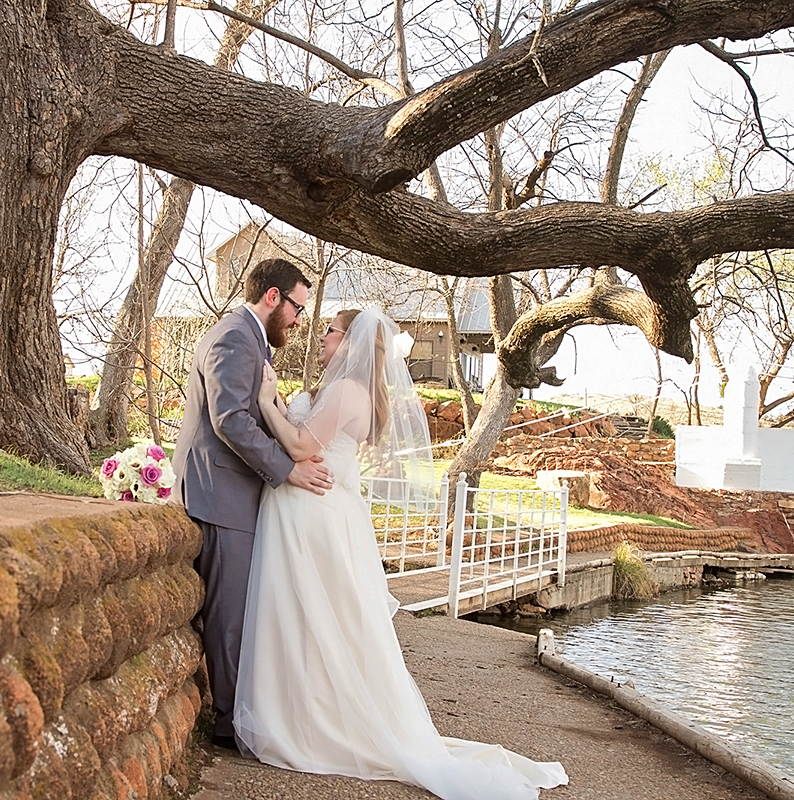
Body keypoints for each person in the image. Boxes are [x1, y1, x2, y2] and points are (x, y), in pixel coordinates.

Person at [233, 309, 569, 800]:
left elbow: (304, 445)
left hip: (313, 514)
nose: (322, 336)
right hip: (316, 512)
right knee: (315, 618)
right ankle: (305, 712)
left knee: (313, 616)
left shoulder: (348, 391)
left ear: (348, 341)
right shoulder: (347, 390)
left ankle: (308, 722)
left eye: (330, 329)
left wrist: (266, 404)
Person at [173, 258, 334, 751]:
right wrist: (289, 470)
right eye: (297, 308)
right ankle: (229, 725)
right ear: (272, 296)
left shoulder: (250, 338)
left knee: (239, 610)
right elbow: (229, 421)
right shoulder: (234, 337)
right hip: (220, 495)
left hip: (235, 493)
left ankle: (237, 715)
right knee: (230, 615)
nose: (300, 320)